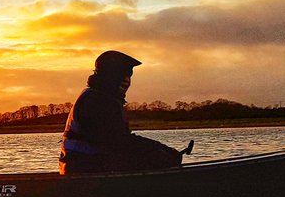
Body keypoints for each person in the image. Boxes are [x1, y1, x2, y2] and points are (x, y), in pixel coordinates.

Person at [59, 51, 188, 175]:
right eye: (121, 75)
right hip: (84, 167)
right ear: (108, 76)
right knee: (155, 159)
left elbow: (122, 140)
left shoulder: (102, 97)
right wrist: (161, 152)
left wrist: (162, 149)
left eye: (129, 75)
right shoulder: (95, 101)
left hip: (87, 164)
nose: (127, 80)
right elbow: (119, 142)